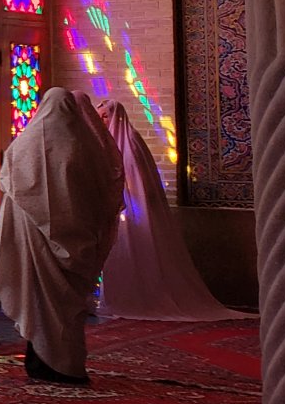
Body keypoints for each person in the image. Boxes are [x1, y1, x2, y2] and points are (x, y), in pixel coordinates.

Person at [0, 86, 124, 384]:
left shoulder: (24, 147)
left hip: (35, 247)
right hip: (78, 245)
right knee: (66, 309)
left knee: (40, 304)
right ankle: (68, 364)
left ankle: (42, 362)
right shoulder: (88, 148)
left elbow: (10, 189)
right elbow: (106, 192)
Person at [97, 98, 248, 321]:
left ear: (117, 117)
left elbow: (137, 181)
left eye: (105, 116)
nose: (102, 121)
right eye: (99, 117)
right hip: (117, 214)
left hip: (134, 214)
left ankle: (138, 299)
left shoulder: (131, 142)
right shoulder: (106, 144)